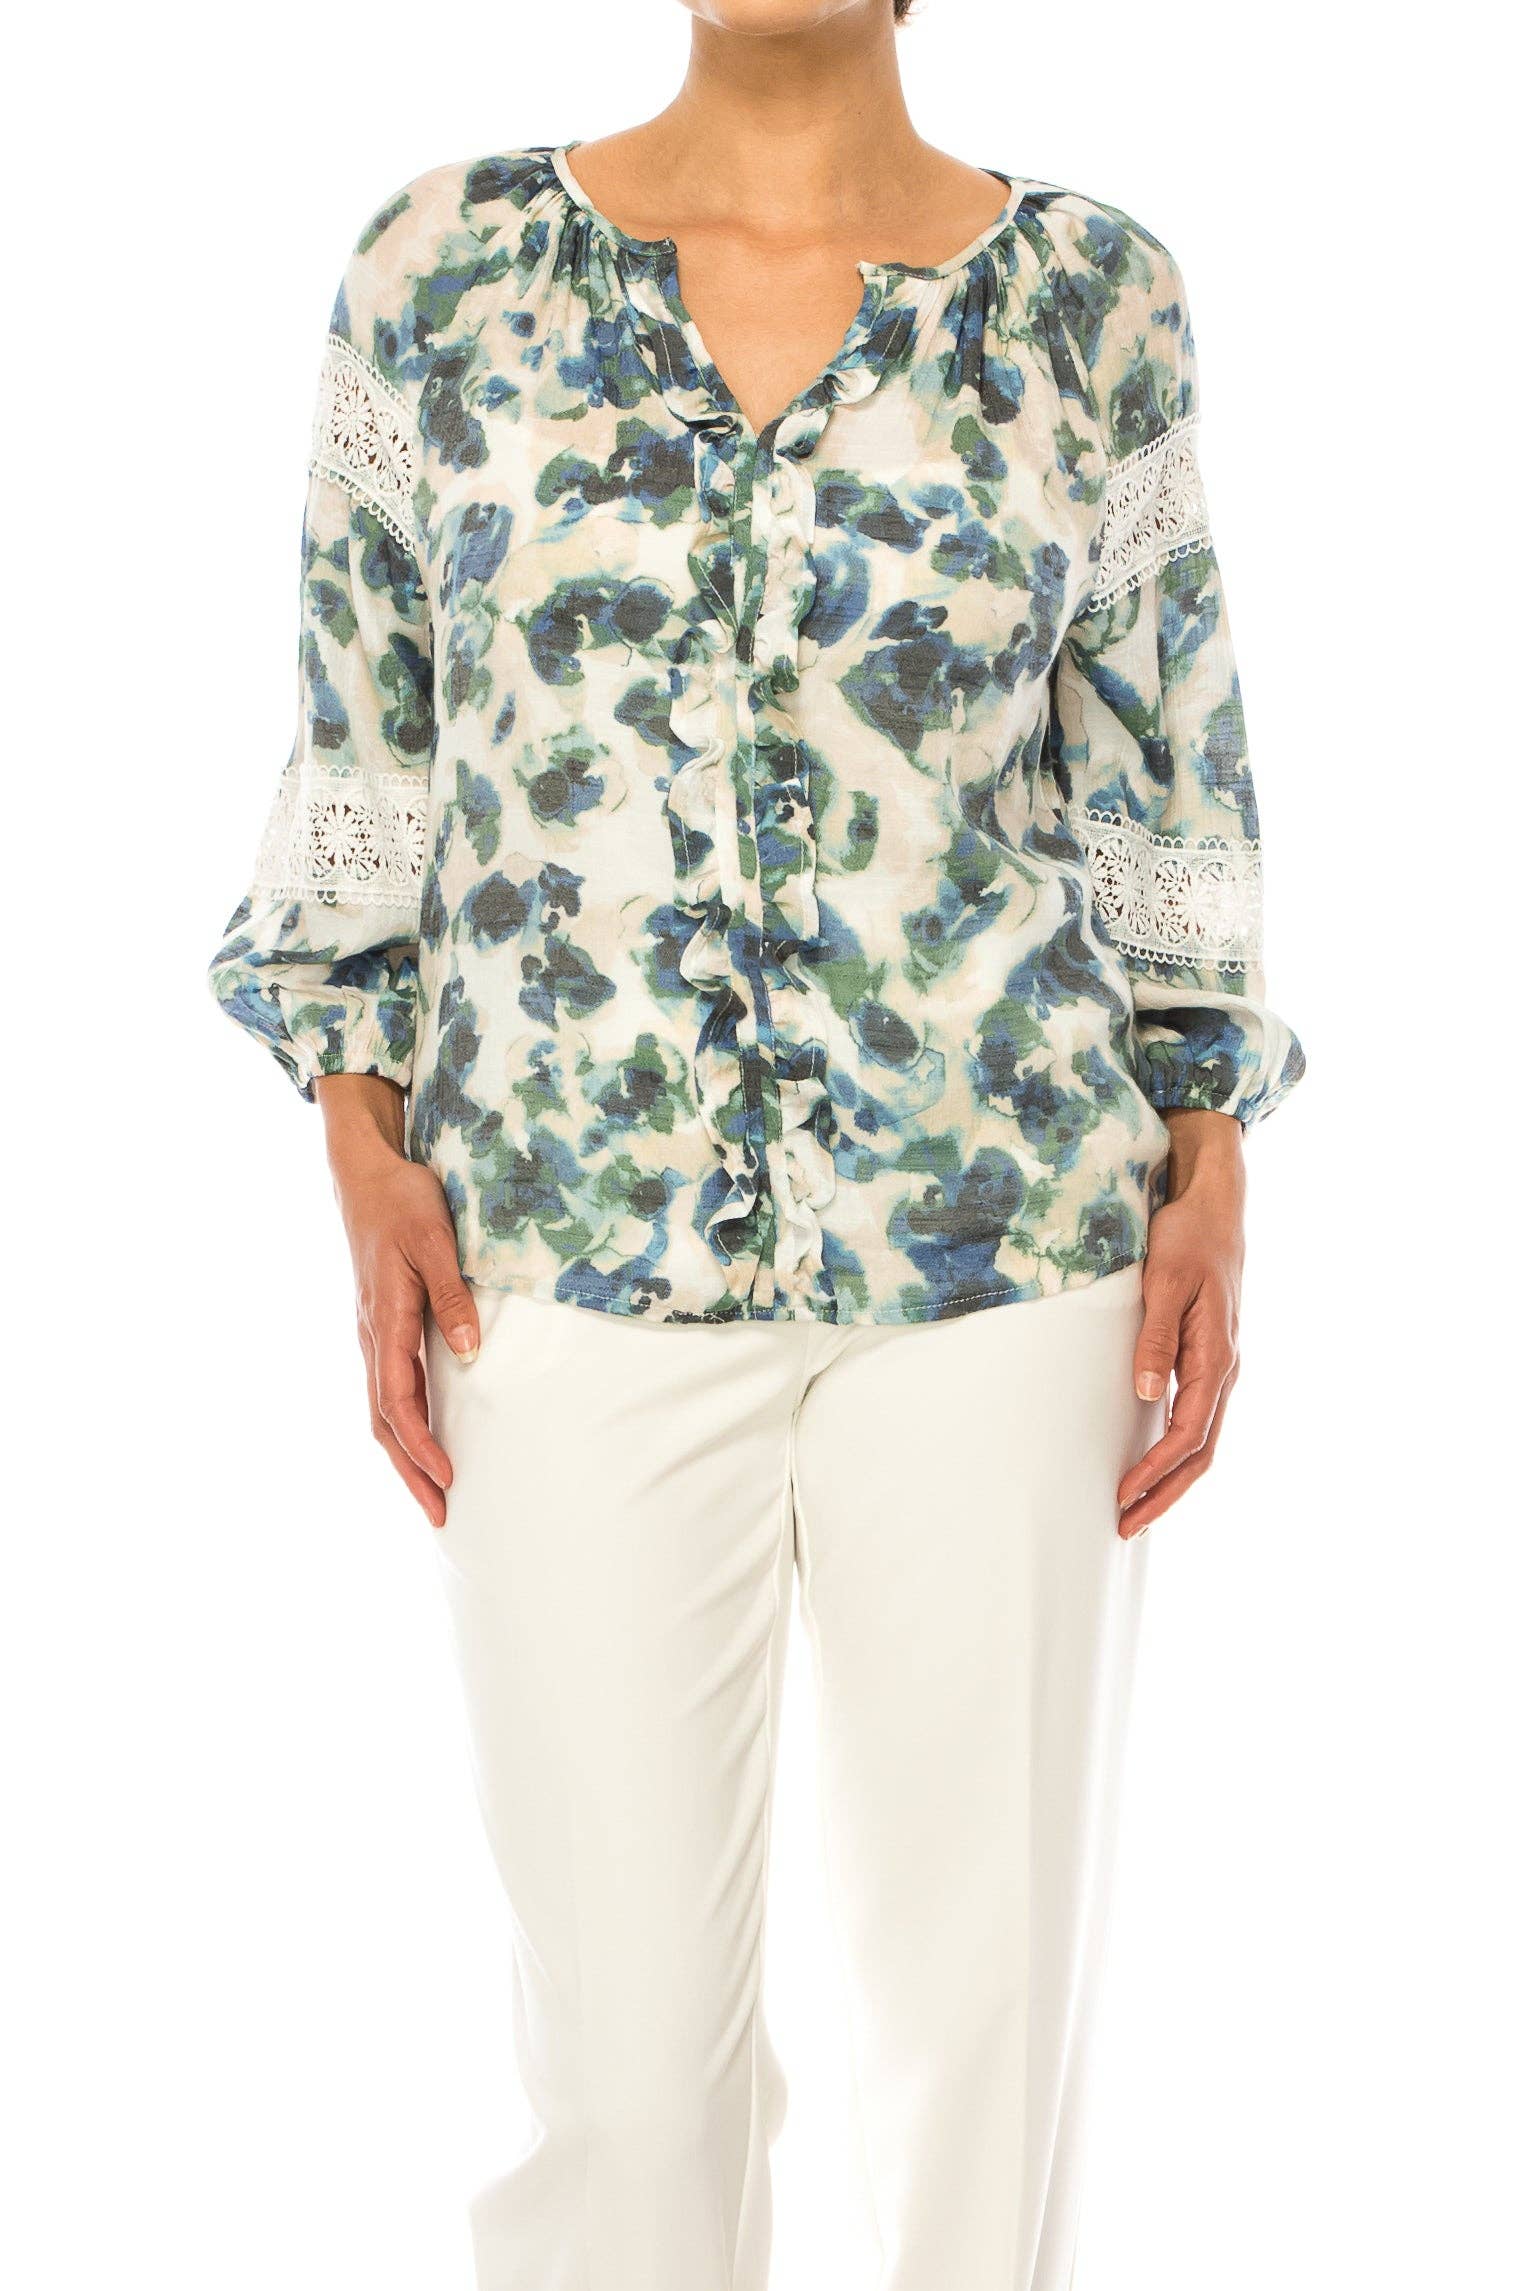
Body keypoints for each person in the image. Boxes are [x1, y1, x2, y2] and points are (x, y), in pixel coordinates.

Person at [206, 3, 1304, 2284]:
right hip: (555, 1247)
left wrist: (1208, 1131)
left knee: (977, 2047)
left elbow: (1164, 759)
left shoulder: (1093, 298)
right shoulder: (440, 271)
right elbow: (364, 746)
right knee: (622, 2087)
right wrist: (357, 1134)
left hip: (1012, 1249)